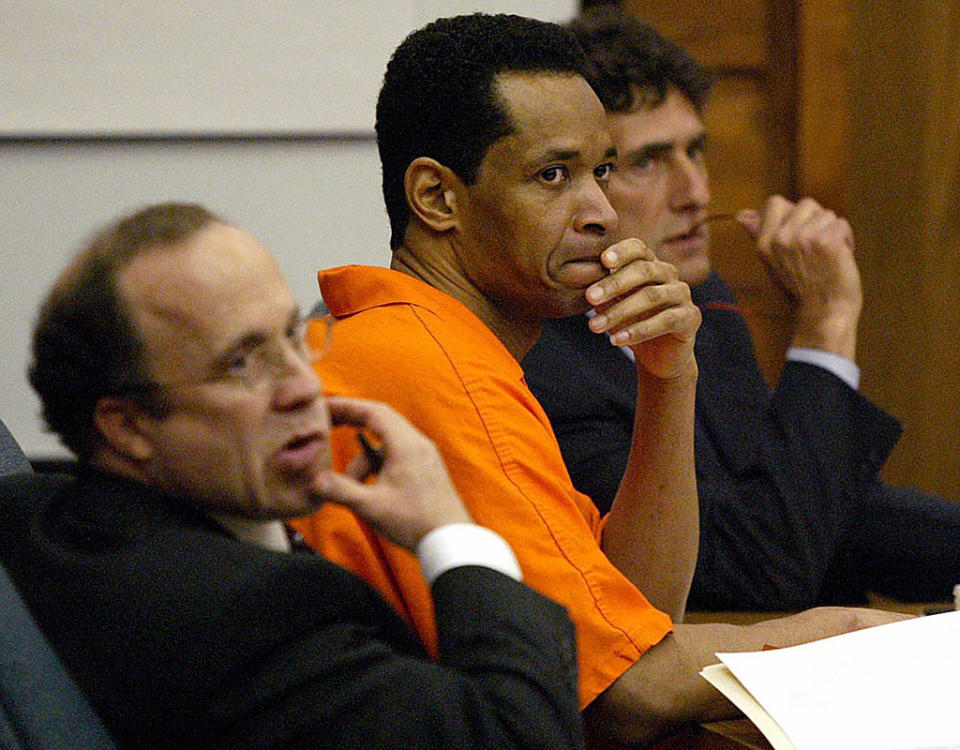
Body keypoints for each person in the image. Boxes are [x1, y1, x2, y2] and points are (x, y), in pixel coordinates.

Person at [290, 13, 906, 746]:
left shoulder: (426, 341)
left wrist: (669, 377)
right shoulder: (433, 366)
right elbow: (628, 690)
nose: (602, 213)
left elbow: (637, 615)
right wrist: (868, 640)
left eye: (603, 170)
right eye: (554, 176)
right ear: (436, 198)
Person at [0, 202, 584, 749]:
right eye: (242, 362)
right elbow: (521, 734)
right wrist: (452, 536)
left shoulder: (31, 511)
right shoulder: (257, 618)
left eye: (292, 336)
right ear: (126, 426)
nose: (305, 385)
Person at [522, 5, 960, 611]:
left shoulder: (699, 299)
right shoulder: (542, 365)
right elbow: (756, 569)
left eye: (694, 152)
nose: (696, 192)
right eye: (647, 161)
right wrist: (826, 324)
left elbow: (821, 508)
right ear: (576, 183)